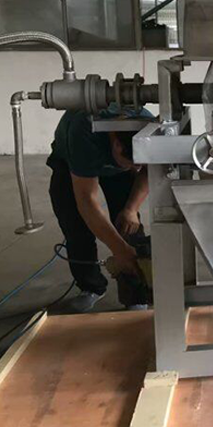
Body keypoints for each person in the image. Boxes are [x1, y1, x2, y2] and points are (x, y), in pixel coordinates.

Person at [46, 109, 152, 312]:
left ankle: (136, 295)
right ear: (117, 144)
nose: (137, 169)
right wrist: (119, 250)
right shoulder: (84, 133)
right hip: (71, 161)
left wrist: (131, 208)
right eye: (133, 164)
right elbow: (87, 201)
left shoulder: (148, 129)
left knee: (129, 225)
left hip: (116, 162)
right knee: (75, 226)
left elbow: (148, 171)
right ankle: (90, 287)